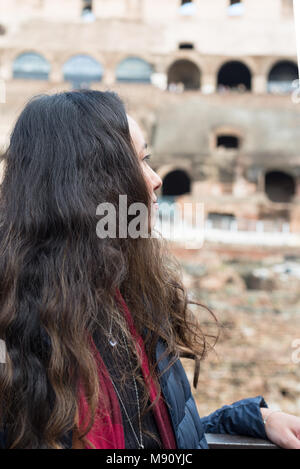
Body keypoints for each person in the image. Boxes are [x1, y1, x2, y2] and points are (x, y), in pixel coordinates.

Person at [0, 89, 299, 450]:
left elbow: (148, 442)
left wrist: (247, 420)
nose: (156, 179)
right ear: (88, 183)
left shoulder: (133, 302)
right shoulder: (19, 337)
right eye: (138, 162)